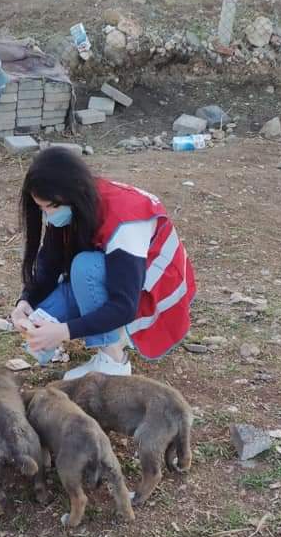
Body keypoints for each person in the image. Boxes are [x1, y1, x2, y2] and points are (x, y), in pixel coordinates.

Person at [11, 147, 196, 379]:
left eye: (51, 207)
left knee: (85, 267)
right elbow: (49, 263)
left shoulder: (124, 219)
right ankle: (109, 335)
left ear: (73, 193)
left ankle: (114, 361)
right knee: (39, 324)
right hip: (114, 275)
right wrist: (25, 301)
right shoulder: (71, 205)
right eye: (42, 208)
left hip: (151, 293)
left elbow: (124, 306)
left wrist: (65, 331)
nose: (48, 215)